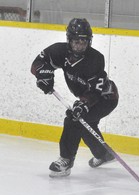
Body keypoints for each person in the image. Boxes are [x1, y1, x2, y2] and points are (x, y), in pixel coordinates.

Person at [31, 18, 119, 177]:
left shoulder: (95, 59)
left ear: (89, 41)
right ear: (69, 40)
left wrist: (83, 104)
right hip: (87, 96)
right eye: (76, 41)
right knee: (86, 126)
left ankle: (66, 160)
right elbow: (39, 62)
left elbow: (95, 91)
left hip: (105, 99)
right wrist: (44, 76)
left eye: (83, 41)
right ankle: (103, 154)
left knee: (74, 120)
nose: (80, 45)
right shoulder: (59, 51)